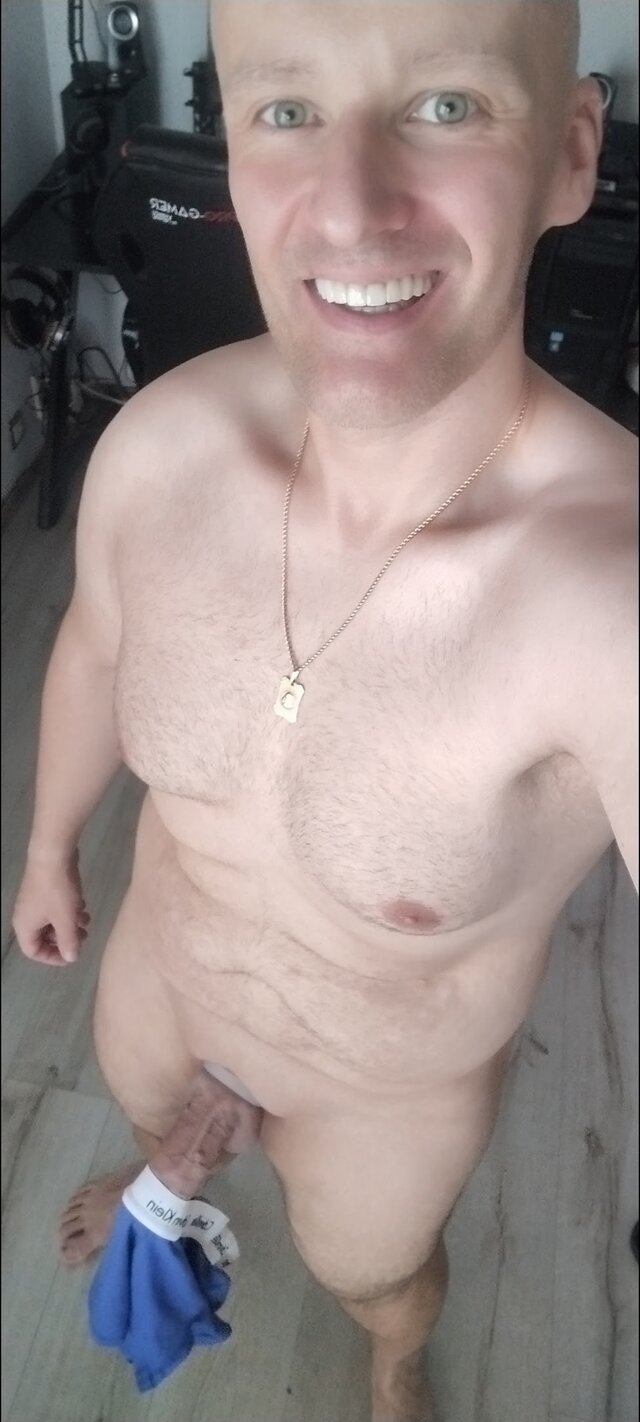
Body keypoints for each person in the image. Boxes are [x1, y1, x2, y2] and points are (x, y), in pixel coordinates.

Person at [11, 1, 638, 1418]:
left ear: (570, 151)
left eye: (447, 106)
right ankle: (161, 1174)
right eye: (287, 112)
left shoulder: (612, 597)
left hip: (384, 1096)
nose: (352, 210)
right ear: (233, 151)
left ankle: (397, 1357)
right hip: (164, 983)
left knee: (375, 1274)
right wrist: (50, 847)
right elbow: (95, 651)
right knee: (146, 1116)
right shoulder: (162, 445)